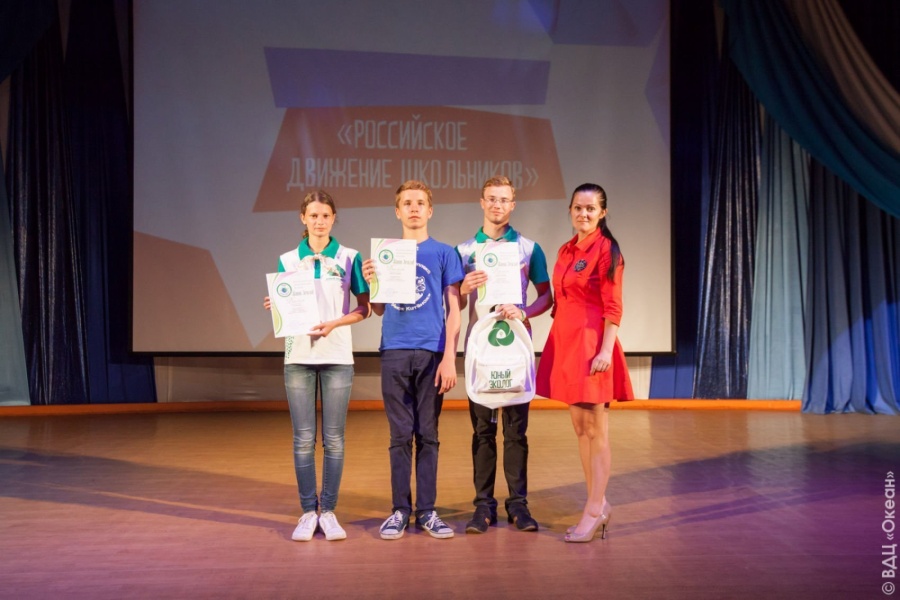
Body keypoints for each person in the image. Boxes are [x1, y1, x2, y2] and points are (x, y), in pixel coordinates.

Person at [264, 190, 370, 542]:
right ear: (303, 219)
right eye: (313, 215)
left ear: (333, 218)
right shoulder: (288, 259)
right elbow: (286, 307)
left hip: (338, 356)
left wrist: (335, 323)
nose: (320, 221)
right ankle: (308, 512)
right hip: (298, 358)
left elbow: (365, 308)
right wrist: (277, 306)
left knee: (334, 440)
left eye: (325, 215)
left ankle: (330, 511)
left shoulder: (350, 257)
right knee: (303, 439)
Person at [362, 180, 464, 540]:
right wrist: (372, 281)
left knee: (429, 434)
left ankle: (428, 511)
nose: (414, 208)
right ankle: (400, 511)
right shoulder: (386, 254)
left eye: (420, 202)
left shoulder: (444, 253)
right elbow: (378, 309)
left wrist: (450, 357)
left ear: (430, 210)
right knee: (400, 435)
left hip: (432, 353)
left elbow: (454, 310)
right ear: (397, 211)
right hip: (394, 350)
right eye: (407, 203)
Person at [535, 183, 634, 543]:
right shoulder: (566, 249)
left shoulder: (607, 250)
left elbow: (613, 306)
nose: (584, 214)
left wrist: (606, 351)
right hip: (567, 342)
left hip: (592, 344)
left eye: (591, 208)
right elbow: (561, 298)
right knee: (580, 428)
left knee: (596, 429)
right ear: (570, 210)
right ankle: (599, 502)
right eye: (578, 207)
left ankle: (593, 510)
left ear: (602, 213)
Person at [456, 176, 552, 533]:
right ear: (482, 202)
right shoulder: (464, 251)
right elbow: (453, 302)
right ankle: (483, 506)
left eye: (504, 200)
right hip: (481, 351)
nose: (497, 205)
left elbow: (547, 296)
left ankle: (518, 505)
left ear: (513, 205)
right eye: (491, 199)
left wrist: (524, 311)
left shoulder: (529, 248)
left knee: (515, 432)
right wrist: (462, 287)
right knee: (482, 431)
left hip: (515, 350)